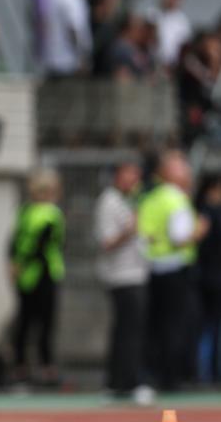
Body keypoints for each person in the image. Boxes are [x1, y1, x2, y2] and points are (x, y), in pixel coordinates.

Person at [138, 150, 208, 391]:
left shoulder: (151, 197)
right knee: (177, 325)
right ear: (167, 172)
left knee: (157, 325)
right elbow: (180, 238)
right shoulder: (175, 198)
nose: (187, 170)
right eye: (181, 166)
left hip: (153, 269)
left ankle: (155, 375)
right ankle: (173, 378)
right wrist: (199, 231)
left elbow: (145, 234)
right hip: (176, 268)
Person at [94, 161, 153, 404]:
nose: (136, 179)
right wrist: (131, 230)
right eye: (131, 173)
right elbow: (107, 242)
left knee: (126, 330)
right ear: (118, 175)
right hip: (123, 276)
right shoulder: (109, 202)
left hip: (134, 273)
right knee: (130, 331)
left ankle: (117, 382)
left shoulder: (126, 200)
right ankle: (128, 383)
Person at [9, 168, 65, 386]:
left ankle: (23, 366)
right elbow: (42, 246)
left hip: (27, 274)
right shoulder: (51, 214)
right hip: (43, 273)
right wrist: (20, 262)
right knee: (42, 322)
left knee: (26, 321)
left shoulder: (26, 212)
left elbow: (16, 242)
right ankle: (44, 367)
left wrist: (15, 264)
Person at [194, 177, 221, 382]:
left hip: (208, 276)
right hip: (211, 277)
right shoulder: (206, 213)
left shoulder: (203, 212)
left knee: (209, 327)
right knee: (209, 327)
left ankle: (207, 372)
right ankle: (206, 373)